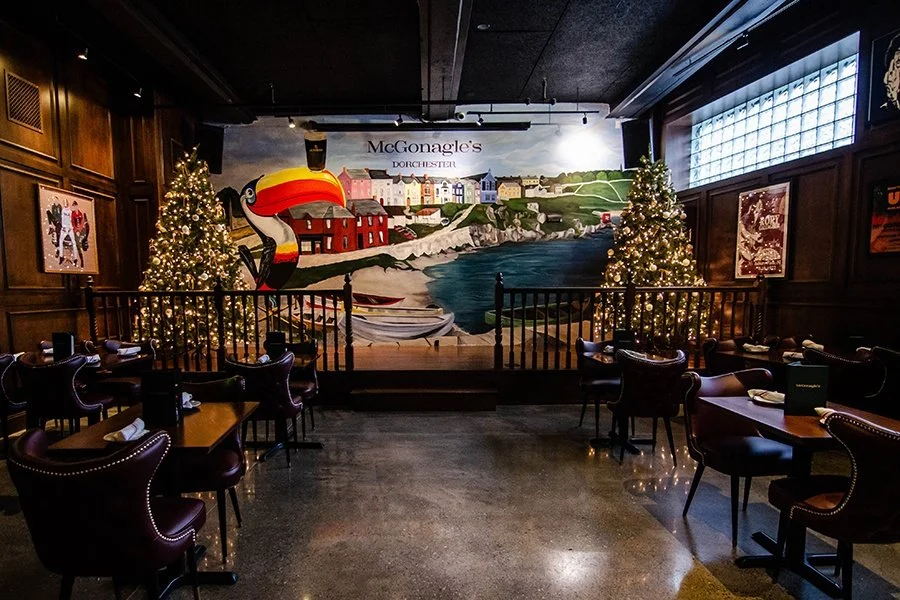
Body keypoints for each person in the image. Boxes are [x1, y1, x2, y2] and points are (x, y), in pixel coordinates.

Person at [56, 198, 79, 267]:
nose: (65, 205)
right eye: (64, 203)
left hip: (70, 228)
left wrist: (70, 228)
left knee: (74, 242)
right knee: (60, 241)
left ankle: (75, 258)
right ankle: (61, 256)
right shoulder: (63, 210)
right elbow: (63, 219)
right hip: (64, 228)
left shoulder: (70, 212)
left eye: (66, 203)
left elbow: (71, 220)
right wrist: (63, 227)